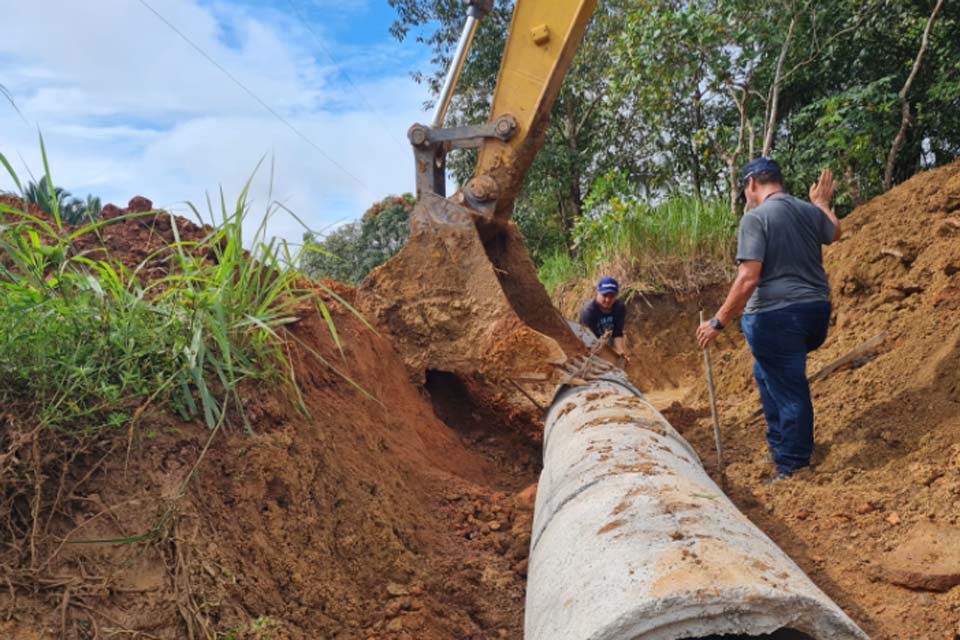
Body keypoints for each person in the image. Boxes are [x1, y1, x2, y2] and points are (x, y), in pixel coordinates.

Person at [696, 157, 841, 483]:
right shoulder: (808, 210)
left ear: (751, 185)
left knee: (789, 389)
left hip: (777, 317)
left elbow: (748, 278)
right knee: (766, 375)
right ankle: (781, 446)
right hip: (815, 313)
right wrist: (821, 203)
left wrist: (717, 323)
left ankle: (793, 466)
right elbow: (836, 232)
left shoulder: (756, 218)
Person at [580, 277, 629, 361]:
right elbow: (589, 340)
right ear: (597, 293)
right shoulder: (588, 312)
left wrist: (620, 352)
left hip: (608, 340)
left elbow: (617, 333)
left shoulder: (619, 308)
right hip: (591, 343)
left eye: (612, 296)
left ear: (616, 295)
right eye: (604, 295)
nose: (607, 300)